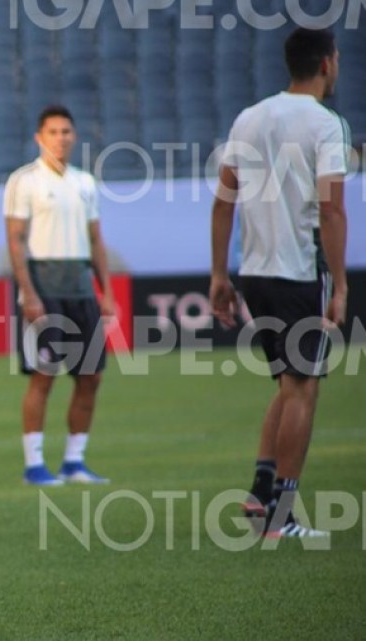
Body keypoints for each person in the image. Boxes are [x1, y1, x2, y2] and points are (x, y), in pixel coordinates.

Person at [210, 27, 348, 539]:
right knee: (304, 388)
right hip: (294, 271)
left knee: (286, 384)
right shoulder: (325, 125)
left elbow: (223, 201)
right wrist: (340, 286)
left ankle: (258, 491)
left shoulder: (250, 117)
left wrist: (220, 275)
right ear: (328, 64)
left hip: (254, 271)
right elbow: (331, 210)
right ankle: (282, 517)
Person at [3, 105, 116, 487]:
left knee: (91, 377)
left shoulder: (85, 183)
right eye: (53, 132)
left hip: (80, 288)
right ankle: (34, 464)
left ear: (74, 136)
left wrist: (107, 291)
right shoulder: (24, 181)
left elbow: (96, 239)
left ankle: (74, 461)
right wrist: (28, 293)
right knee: (43, 375)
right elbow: (15, 242)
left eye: (66, 131)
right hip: (44, 287)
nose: (61, 138)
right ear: (39, 137)